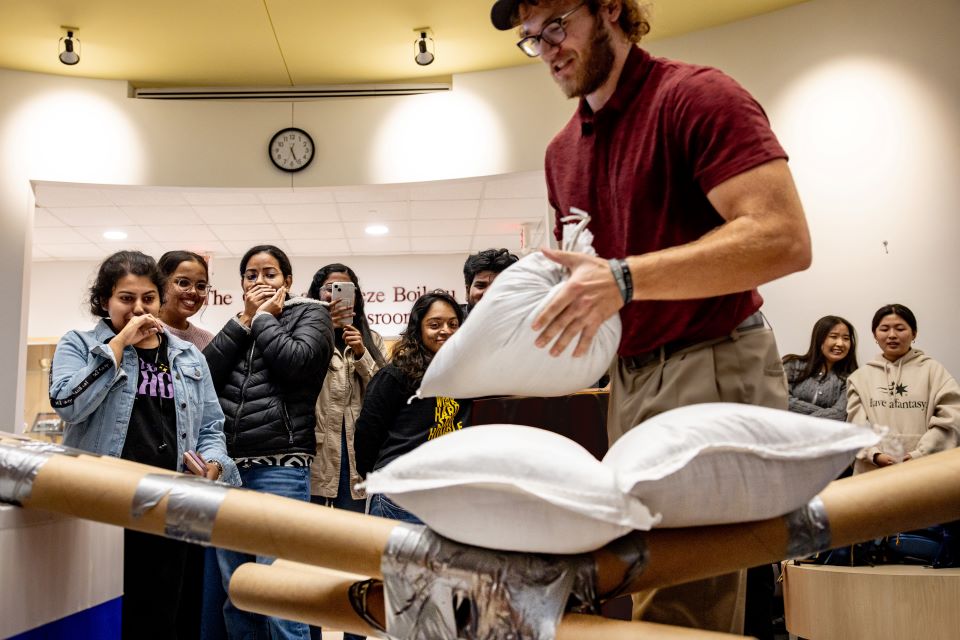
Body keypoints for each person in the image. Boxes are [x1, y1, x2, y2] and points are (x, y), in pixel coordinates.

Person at [490, 0, 811, 634]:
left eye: (557, 24)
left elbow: (783, 238)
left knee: (684, 597)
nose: (548, 48)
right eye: (532, 38)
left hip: (711, 355)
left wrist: (627, 278)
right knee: (648, 581)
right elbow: (598, 282)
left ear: (611, 7)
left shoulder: (696, 97)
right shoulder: (562, 153)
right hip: (631, 377)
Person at [49, 250, 239, 640]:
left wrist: (214, 465)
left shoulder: (188, 356)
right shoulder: (80, 345)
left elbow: (211, 427)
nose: (138, 308)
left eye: (148, 298)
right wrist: (117, 346)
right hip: (104, 505)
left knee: (167, 618)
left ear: (160, 298)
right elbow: (68, 405)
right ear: (105, 301)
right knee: (109, 619)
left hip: (172, 507)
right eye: (126, 298)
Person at [204, 245, 333, 640]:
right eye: (251, 275)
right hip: (229, 470)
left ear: (288, 281)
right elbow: (204, 376)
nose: (260, 282)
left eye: (270, 274)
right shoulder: (239, 322)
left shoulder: (311, 314)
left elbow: (296, 363)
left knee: (280, 593)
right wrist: (244, 321)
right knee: (237, 592)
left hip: (280, 467)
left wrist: (263, 319)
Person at [305, 263, 386, 640]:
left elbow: (386, 396)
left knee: (356, 555)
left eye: (344, 289)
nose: (335, 295)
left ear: (356, 297)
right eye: (328, 289)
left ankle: (356, 634)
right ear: (316, 293)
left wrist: (362, 353)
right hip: (316, 457)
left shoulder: (373, 339)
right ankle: (311, 634)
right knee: (309, 557)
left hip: (357, 460)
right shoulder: (305, 336)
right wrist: (322, 335)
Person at [354, 291, 469, 524]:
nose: (445, 330)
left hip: (446, 492)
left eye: (453, 324)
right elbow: (367, 434)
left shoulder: (467, 377)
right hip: (399, 493)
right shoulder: (395, 375)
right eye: (434, 324)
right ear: (418, 329)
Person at [847, 304, 960, 474]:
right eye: (884, 329)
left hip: (925, 467)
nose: (892, 335)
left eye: (900, 328)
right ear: (875, 335)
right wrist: (874, 454)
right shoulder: (859, 378)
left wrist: (920, 453)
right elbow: (856, 426)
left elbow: (951, 418)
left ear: (914, 333)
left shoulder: (934, 371)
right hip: (872, 470)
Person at [782, 316, 859, 421]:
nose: (840, 343)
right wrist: (826, 413)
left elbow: (840, 414)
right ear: (819, 339)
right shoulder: (792, 364)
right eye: (833, 336)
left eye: (846, 338)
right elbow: (782, 400)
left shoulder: (850, 379)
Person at [158, 250, 215, 350]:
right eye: (183, 283)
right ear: (161, 284)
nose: (193, 292)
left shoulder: (208, 341)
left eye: (201, 286)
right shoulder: (142, 334)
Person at [462, 248, 519, 314]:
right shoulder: (453, 321)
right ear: (467, 291)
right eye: (481, 286)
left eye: (498, 287)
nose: (488, 294)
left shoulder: (523, 321)